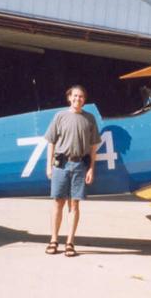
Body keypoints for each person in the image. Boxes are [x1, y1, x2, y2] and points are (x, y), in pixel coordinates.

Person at [44, 85, 101, 257]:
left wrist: (91, 168)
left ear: (85, 99)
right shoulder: (60, 116)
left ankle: (70, 242)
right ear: (69, 97)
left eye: (81, 96)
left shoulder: (89, 118)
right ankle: (53, 240)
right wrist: (49, 166)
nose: (78, 99)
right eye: (75, 96)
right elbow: (51, 142)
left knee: (74, 204)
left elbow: (93, 148)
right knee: (58, 203)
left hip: (79, 166)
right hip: (61, 165)